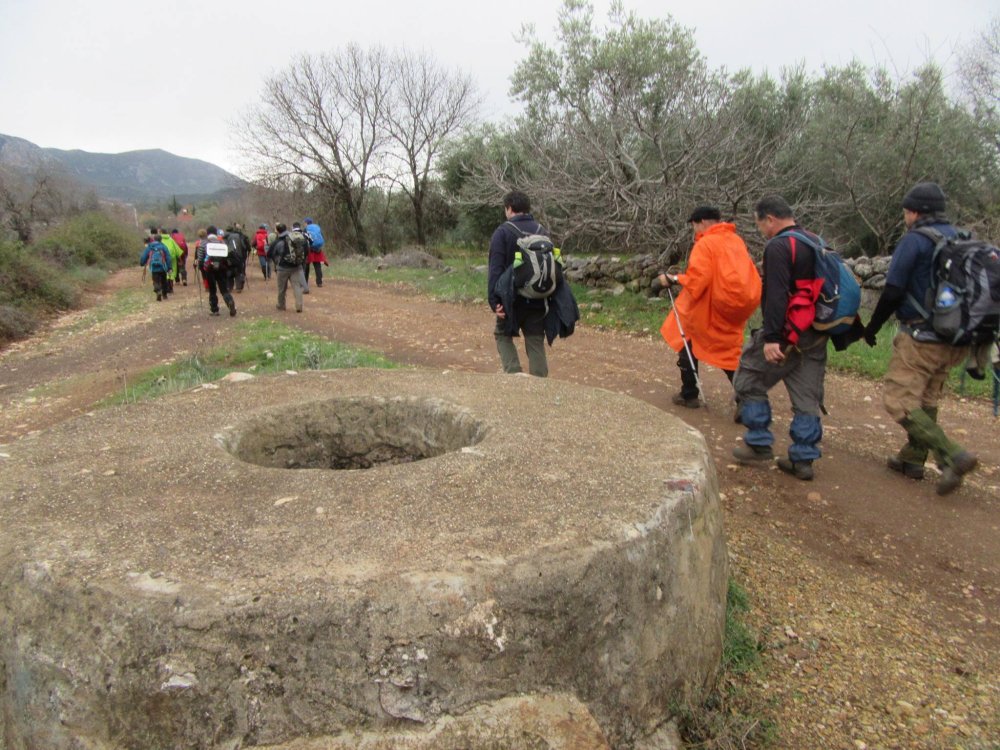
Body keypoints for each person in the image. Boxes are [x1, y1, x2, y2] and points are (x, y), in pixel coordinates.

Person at [863, 182, 978, 495]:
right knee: (926, 395)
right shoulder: (961, 238)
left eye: (905, 211)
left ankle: (953, 455)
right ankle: (912, 458)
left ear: (913, 211)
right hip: (956, 337)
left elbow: (893, 289)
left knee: (899, 400)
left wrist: (872, 327)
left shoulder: (915, 240)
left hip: (921, 337)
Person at [731, 195, 829, 481]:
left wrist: (773, 338)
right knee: (806, 396)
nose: (762, 230)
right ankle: (803, 459)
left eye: (760, 224)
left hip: (786, 332)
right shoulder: (815, 241)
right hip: (816, 333)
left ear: (770, 219)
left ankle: (759, 442)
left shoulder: (779, 246)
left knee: (747, 380)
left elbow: (775, 295)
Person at [656, 206, 761, 408]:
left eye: (694, 226)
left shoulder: (705, 244)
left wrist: (674, 278)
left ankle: (690, 394)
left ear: (702, 222)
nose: (694, 231)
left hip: (709, 307)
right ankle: (745, 399)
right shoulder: (735, 240)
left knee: (686, 339)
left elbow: (698, 281)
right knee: (727, 350)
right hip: (734, 307)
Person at [488, 191, 571, 376]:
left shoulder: (502, 233)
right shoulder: (542, 231)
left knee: (502, 335)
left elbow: (495, 270)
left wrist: (494, 303)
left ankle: (515, 376)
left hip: (511, 300)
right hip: (538, 298)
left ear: (509, 208)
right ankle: (539, 389)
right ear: (527, 208)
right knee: (535, 341)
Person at [267, 222, 305, 313]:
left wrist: (276, 261)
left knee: (282, 288)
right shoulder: (296, 239)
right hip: (296, 267)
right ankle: (299, 306)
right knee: (297, 287)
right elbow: (306, 249)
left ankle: (281, 305)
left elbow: (269, 254)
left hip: (282, 268)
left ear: (277, 231)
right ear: (287, 229)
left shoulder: (277, 242)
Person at [200, 226, 237, 317]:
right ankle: (230, 302)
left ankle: (214, 309)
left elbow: (200, 259)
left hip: (209, 269)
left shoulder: (204, 243)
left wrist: (202, 268)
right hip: (221, 268)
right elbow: (227, 256)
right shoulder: (222, 242)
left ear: (207, 233)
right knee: (224, 289)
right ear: (216, 233)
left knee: (212, 290)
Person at [140, 234, 172, 301]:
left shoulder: (150, 246)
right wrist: (169, 267)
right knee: (164, 280)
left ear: (154, 239)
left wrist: (142, 263)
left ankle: (158, 291)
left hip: (154, 267)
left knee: (156, 280)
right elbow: (168, 257)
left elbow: (144, 256)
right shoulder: (163, 246)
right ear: (161, 239)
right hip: (163, 267)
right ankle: (164, 294)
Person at [303, 217, 329, 288]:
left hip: (309, 250)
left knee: (306, 267)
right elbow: (321, 237)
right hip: (317, 249)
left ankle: (305, 283)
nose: (304, 224)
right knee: (317, 266)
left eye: (304, 223)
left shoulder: (306, 229)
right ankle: (319, 282)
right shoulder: (317, 227)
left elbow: (304, 239)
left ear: (306, 223)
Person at [158, 227, 184, 296]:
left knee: (164, 272)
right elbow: (177, 250)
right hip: (172, 258)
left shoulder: (159, 240)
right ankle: (171, 288)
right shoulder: (171, 239)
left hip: (162, 258)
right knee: (172, 272)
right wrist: (180, 259)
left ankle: (166, 288)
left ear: (160, 233)